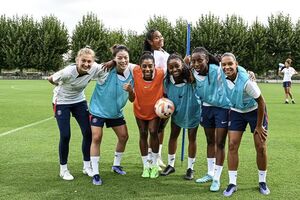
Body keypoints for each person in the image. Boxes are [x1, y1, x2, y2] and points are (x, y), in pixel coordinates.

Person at [47, 47, 106, 181]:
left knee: (88, 132)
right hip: (62, 101)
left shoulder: (94, 68)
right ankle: (63, 169)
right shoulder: (67, 72)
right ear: (77, 60)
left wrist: (113, 61)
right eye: (83, 61)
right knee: (65, 135)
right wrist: (57, 84)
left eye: (89, 61)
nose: (86, 64)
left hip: (79, 101)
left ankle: (87, 166)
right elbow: (51, 78)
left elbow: (108, 66)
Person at [221, 52, 270, 196]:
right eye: (224, 64)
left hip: (255, 111)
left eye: (230, 64)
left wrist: (259, 126)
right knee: (232, 145)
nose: (227, 67)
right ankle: (232, 183)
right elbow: (208, 58)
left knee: (260, 146)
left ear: (236, 64)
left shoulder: (247, 81)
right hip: (237, 111)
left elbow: (261, 102)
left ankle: (262, 181)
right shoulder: (221, 73)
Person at [89, 45, 135, 185]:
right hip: (98, 110)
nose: (123, 60)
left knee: (123, 136)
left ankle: (116, 164)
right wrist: (112, 62)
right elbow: (91, 66)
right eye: (119, 58)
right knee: (97, 137)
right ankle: (95, 173)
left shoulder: (132, 73)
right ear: (114, 59)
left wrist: (130, 90)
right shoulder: (106, 70)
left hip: (115, 112)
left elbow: (133, 99)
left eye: (125, 58)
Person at [188, 47, 231, 191]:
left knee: (220, 143)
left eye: (199, 60)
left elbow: (232, 69)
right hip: (206, 108)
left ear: (206, 59)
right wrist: (186, 62)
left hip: (222, 108)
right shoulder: (193, 72)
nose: (196, 64)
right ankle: (210, 173)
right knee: (210, 141)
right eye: (194, 61)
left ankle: (217, 179)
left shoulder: (217, 69)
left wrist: (248, 73)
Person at [160, 54, 200, 180]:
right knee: (173, 136)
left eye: (177, 66)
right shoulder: (167, 80)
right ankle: (171, 165)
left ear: (182, 65)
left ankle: (190, 168)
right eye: (170, 67)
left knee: (191, 138)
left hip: (192, 111)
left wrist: (188, 65)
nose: (174, 69)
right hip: (176, 112)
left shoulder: (190, 77)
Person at [130, 52, 166, 178]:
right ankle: (146, 166)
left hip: (155, 111)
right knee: (143, 133)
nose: (147, 69)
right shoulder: (135, 71)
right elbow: (121, 62)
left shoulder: (161, 73)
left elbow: (175, 66)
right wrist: (112, 61)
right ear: (140, 66)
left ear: (154, 66)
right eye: (144, 66)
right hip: (139, 109)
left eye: (150, 66)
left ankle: (155, 164)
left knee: (153, 132)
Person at [144, 29, 170, 168]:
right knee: (153, 129)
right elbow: (157, 73)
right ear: (150, 41)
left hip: (166, 94)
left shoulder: (164, 53)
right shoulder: (151, 55)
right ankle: (150, 156)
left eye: (161, 36)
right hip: (155, 95)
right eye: (156, 38)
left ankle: (158, 155)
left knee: (161, 128)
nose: (160, 39)